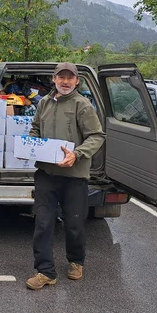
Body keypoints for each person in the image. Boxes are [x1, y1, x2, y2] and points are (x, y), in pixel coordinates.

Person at [25, 62, 106, 290]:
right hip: (46, 174)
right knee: (43, 222)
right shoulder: (43, 103)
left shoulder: (82, 105)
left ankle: (76, 261)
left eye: (70, 78)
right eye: (62, 77)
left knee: (74, 223)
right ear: (54, 79)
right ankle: (45, 271)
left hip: (74, 176)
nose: (66, 81)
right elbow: (35, 130)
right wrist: (29, 146)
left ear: (77, 81)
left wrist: (77, 154)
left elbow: (96, 136)